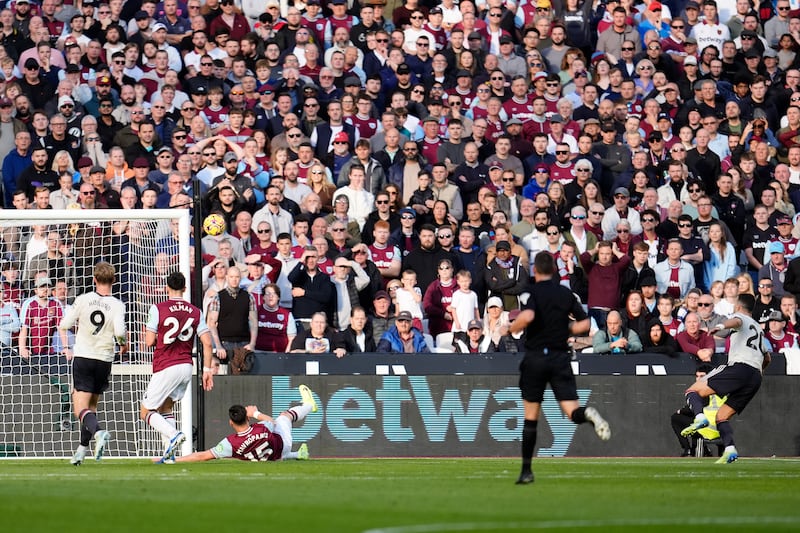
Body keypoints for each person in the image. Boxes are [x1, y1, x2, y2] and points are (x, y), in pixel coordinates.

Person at [509, 251, 611, 485]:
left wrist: (510, 329)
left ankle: (526, 471)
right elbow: (585, 324)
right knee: (571, 413)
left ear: (535, 271)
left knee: (530, 417)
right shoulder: (565, 293)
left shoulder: (531, 292)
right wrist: (563, 329)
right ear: (555, 270)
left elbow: (528, 315)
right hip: (559, 357)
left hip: (536, 357)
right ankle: (587, 413)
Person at [681, 294, 771, 464]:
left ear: (739, 306)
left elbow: (736, 322)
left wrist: (721, 325)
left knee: (693, 390)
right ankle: (729, 448)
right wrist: (758, 372)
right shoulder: (759, 329)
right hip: (755, 377)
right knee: (722, 416)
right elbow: (767, 358)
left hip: (740, 367)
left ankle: (700, 417)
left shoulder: (741, 317)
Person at [58, 262, 128, 465]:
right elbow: (121, 333)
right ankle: (81, 451)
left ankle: (98, 433)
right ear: (114, 280)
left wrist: (66, 348)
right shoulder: (117, 304)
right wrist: (123, 345)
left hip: (84, 357)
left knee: (79, 408)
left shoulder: (83, 299)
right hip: (104, 359)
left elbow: (64, 325)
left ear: (94, 280)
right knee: (92, 407)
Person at [140, 272, 214, 462]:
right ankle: (169, 456)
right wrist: (207, 371)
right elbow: (207, 342)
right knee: (166, 408)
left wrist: (151, 332)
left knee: (146, 411)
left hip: (166, 364)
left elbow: (149, 341)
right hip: (186, 366)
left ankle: (174, 434)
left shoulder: (158, 308)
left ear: (166, 287)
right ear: (185, 288)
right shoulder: (196, 311)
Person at [165, 385, 317, 463]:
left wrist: (175, 460)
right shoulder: (261, 427)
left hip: (271, 458)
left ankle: (297, 455)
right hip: (282, 448)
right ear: (248, 418)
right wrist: (256, 413)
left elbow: (203, 456)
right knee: (284, 417)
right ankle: (309, 405)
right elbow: (273, 422)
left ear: (231, 422)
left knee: (266, 451)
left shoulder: (230, 443)